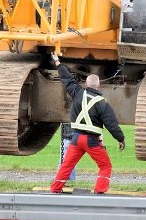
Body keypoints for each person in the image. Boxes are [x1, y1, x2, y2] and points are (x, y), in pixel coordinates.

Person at [50, 55, 126, 193]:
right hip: (91, 141)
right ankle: (99, 191)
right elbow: (112, 125)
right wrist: (120, 139)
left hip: (76, 138)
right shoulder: (103, 104)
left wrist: (57, 63)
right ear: (98, 86)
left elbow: (67, 79)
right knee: (105, 166)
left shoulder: (77, 93)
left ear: (85, 84)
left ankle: (55, 189)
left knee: (67, 165)